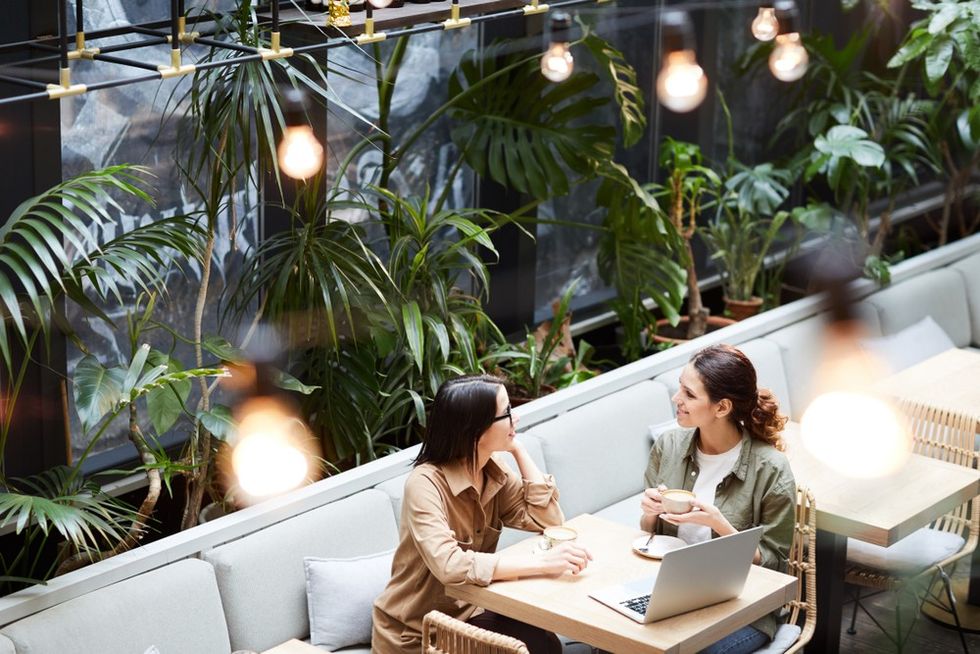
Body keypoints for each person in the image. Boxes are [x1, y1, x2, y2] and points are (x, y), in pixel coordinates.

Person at [372, 374, 593, 654]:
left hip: (470, 613)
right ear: (474, 429)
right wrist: (542, 564)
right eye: (507, 413)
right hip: (418, 633)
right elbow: (450, 565)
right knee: (536, 647)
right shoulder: (425, 484)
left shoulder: (492, 470)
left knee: (544, 642)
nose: (516, 419)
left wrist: (518, 448)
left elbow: (549, 521)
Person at [640, 344, 796, 654]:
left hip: (743, 609)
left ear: (721, 408)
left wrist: (720, 525)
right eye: (679, 388)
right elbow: (649, 536)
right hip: (672, 595)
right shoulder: (668, 447)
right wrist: (649, 514)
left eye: (689, 393)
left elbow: (776, 564)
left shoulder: (771, 469)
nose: (676, 398)